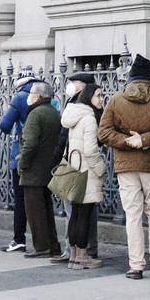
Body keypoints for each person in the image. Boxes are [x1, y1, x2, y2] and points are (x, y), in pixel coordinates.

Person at [99, 55, 150, 279]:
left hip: (126, 165)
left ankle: (136, 265)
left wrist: (128, 141)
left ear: (131, 76)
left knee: (132, 215)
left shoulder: (116, 100)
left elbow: (103, 133)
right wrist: (144, 140)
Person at [58, 75, 103, 269]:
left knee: (75, 214)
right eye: (98, 96)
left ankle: (74, 256)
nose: (101, 99)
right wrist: (101, 168)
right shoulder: (89, 118)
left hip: (74, 169)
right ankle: (83, 257)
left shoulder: (73, 114)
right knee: (83, 215)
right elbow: (91, 150)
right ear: (89, 98)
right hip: (87, 172)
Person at [16, 80, 65, 259]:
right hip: (48, 168)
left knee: (34, 210)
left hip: (34, 170)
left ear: (37, 96)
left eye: (31, 94)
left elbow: (30, 143)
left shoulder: (35, 114)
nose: (29, 97)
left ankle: (42, 246)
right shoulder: (53, 112)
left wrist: (23, 164)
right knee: (46, 208)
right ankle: (53, 245)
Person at [0, 67, 40, 251]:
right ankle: (42, 241)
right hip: (43, 155)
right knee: (40, 199)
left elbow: (5, 125)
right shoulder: (48, 95)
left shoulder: (19, 97)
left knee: (20, 199)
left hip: (21, 153)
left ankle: (19, 239)